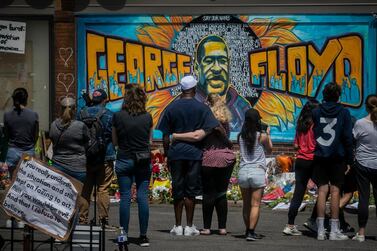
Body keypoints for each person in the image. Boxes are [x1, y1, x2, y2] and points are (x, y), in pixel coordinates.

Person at [158, 75, 219, 236]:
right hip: (194, 154)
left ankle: (178, 226)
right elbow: (213, 127)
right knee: (190, 190)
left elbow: (165, 135)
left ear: (182, 89)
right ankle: (190, 226)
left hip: (176, 153)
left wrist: (166, 155)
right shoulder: (202, 108)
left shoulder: (171, 108)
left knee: (177, 189)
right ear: (193, 89)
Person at [172, 93, 235, 235]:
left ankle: (206, 228)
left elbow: (199, 137)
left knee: (208, 193)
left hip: (209, 158)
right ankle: (222, 228)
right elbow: (227, 137)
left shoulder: (206, 119)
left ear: (208, 103)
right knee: (221, 193)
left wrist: (176, 136)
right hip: (226, 158)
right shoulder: (225, 120)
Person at [311, 82, 353, 241]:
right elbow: (347, 137)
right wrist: (350, 159)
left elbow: (315, 130)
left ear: (324, 94)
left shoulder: (316, 112)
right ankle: (334, 230)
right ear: (338, 95)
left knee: (322, 191)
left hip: (320, 155)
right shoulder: (344, 112)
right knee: (335, 191)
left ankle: (321, 230)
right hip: (337, 155)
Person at [112, 85, 153, 247]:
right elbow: (150, 142)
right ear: (142, 98)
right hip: (142, 160)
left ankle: (124, 235)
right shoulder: (148, 117)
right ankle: (143, 236)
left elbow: (115, 142)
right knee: (142, 197)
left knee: (125, 197)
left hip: (124, 159)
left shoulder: (118, 116)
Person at [194, 35, 251, 132]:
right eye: (208, 61)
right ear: (196, 68)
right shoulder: (188, 104)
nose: (217, 68)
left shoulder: (242, 106)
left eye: (222, 61)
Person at [79, 89, 116, 227]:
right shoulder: (110, 115)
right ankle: (103, 221)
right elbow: (113, 137)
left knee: (86, 189)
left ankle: (82, 220)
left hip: (86, 157)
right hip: (105, 156)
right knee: (103, 188)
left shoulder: (81, 113)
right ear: (105, 100)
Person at [283, 99, 319, 236]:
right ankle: (314, 219)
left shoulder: (300, 124)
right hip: (314, 160)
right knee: (323, 190)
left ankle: (290, 224)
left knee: (298, 193)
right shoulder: (316, 125)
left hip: (301, 160)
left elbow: (296, 146)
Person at [238, 108, 272, 241]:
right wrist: (268, 134)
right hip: (257, 171)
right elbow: (270, 150)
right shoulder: (261, 136)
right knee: (255, 204)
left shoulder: (240, 136)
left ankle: (247, 230)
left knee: (246, 204)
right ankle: (251, 232)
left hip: (243, 171)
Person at [352, 94, 377, 242]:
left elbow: (353, 140)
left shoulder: (360, 123)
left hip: (363, 164)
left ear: (366, 107)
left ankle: (361, 233)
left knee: (364, 198)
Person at [49, 97, 89, 183]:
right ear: (75, 109)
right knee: (77, 196)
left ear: (60, 109)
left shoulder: (53, 125)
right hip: (78, 168)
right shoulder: (81, 126)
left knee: (58, 195)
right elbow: (87, 144)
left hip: (58, 166)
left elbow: (52, 141)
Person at [3, 88, 38, 179]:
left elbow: (6, 137)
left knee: (13, 183)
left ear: (13, 99)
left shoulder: (7, 115)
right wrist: (29, 145)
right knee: (27, 182)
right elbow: (36, 136)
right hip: (28, 152)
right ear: (26, 99)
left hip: (13, 152)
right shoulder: (34, 115)